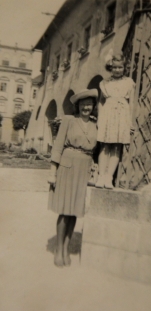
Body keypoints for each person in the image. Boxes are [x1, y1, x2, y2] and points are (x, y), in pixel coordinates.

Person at [47, 89, 98, 267]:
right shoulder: (69, 120)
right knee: (64, 209)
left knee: (75, 210)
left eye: (89, 104)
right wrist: (53, 171)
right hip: (67, 167)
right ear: (78, 105)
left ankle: (67, 248)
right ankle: (58, 249)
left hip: (84, 169)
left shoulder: (95, 125)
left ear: (93, 106)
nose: (86, 107)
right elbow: (58, 145)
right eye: (83, 104)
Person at [95, 52, 135, 189]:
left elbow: (132, 104)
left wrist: (130, 122)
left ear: (124, 68)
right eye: (115, 67)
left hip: (122, 115)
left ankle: (109, 177)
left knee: (117, 147)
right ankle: (100, 176)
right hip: (107, 114)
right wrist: (100, 119)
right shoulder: (104, 83)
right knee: (105, 145)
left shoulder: (129, 83)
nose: (117, 70)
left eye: (120, 67)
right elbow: (101, 101)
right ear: (110, 68)